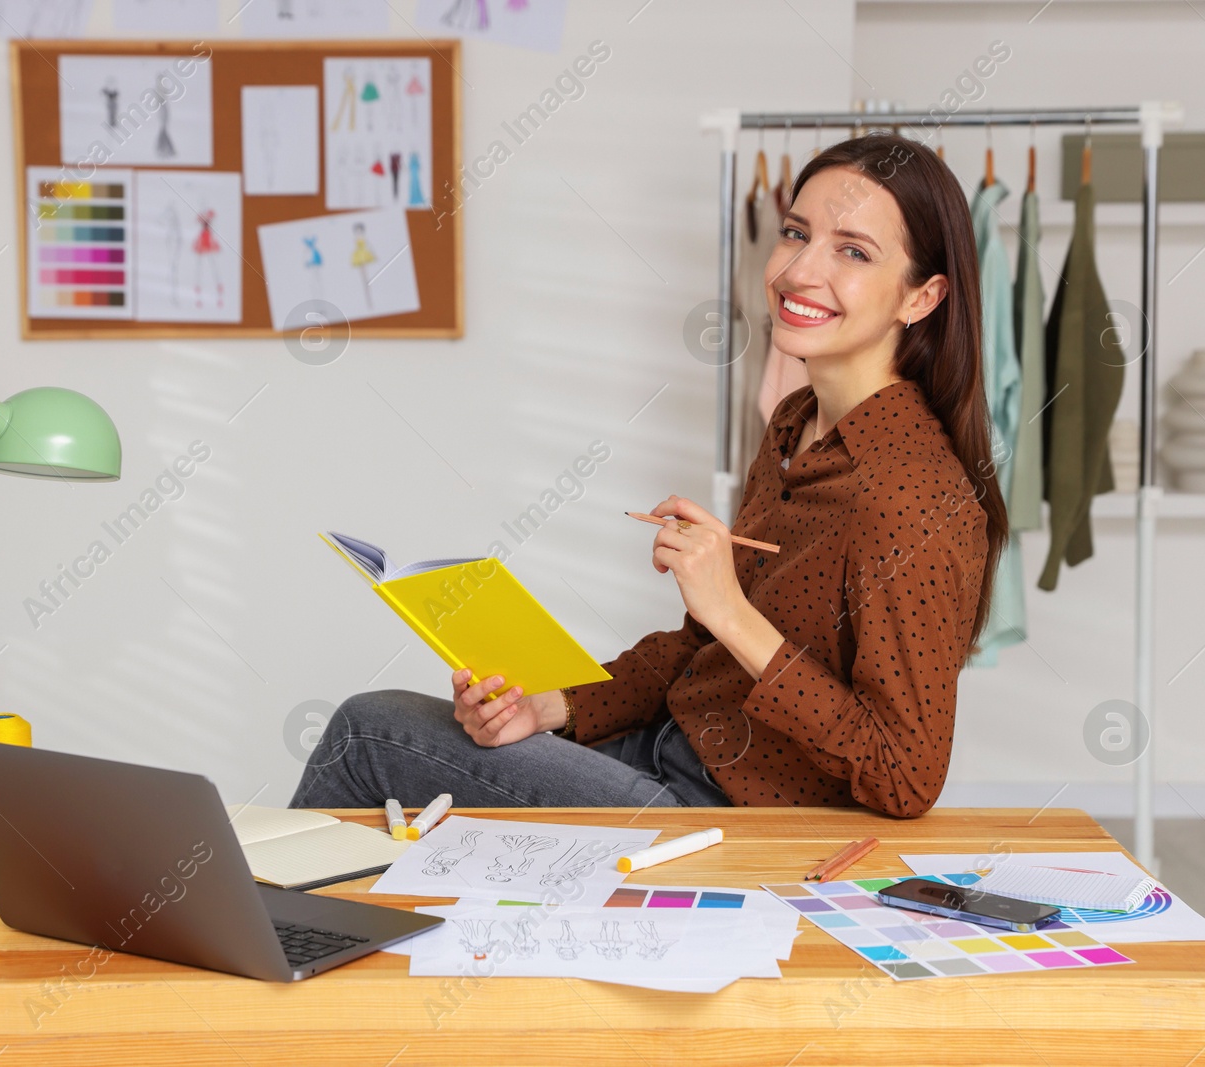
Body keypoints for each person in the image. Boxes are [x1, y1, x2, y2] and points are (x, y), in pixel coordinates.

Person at [291, 134, 1007, 818]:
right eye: (796, 233)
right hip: (664, 750)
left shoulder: (915, 498)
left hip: (721, 814)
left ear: (922, 297)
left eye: (852, 250)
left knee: (367, 732)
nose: (797, 271)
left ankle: (269, 942)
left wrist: (731, 610)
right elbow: (697, 656)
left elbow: (905, 773)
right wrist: (552, 704)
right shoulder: (797, 423)